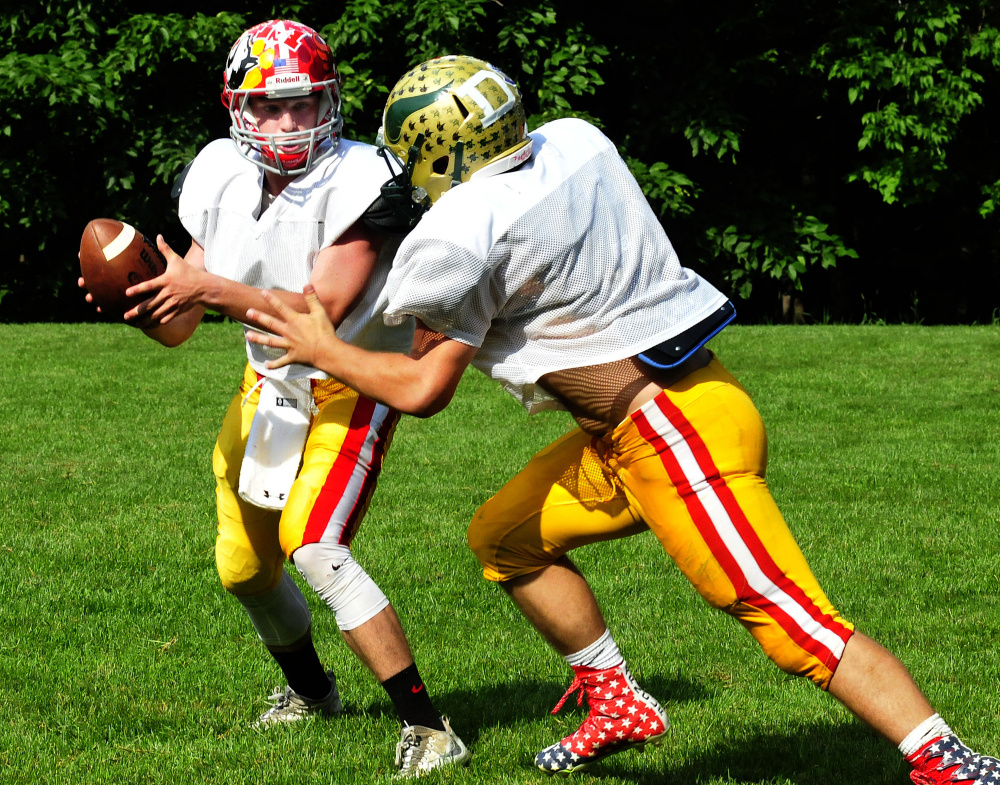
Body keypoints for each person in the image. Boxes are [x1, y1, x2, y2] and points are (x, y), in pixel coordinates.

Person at [244, 54, 999, 784]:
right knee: (505, 537)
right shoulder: (576, 139)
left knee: (787, 617)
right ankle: (615, 698)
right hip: (659, 412)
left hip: (674, 434)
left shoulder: (460, 229)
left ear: (438, 154)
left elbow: (419, 388)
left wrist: (322, 346)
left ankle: (945, 759)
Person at [78, 23, 468, 778]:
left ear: (330, 101)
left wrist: (208, 287)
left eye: (303, 103)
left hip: (351, 380)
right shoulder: (219, 171)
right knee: (242, 566)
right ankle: (313, 693)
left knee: (316, 545)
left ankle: (429, 727)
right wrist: (143, 303)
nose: (288, 124)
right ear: (236, 108)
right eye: (268, 106)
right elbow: (185, 321)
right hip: (269, 382)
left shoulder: (363, 176)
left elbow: (314, 312)